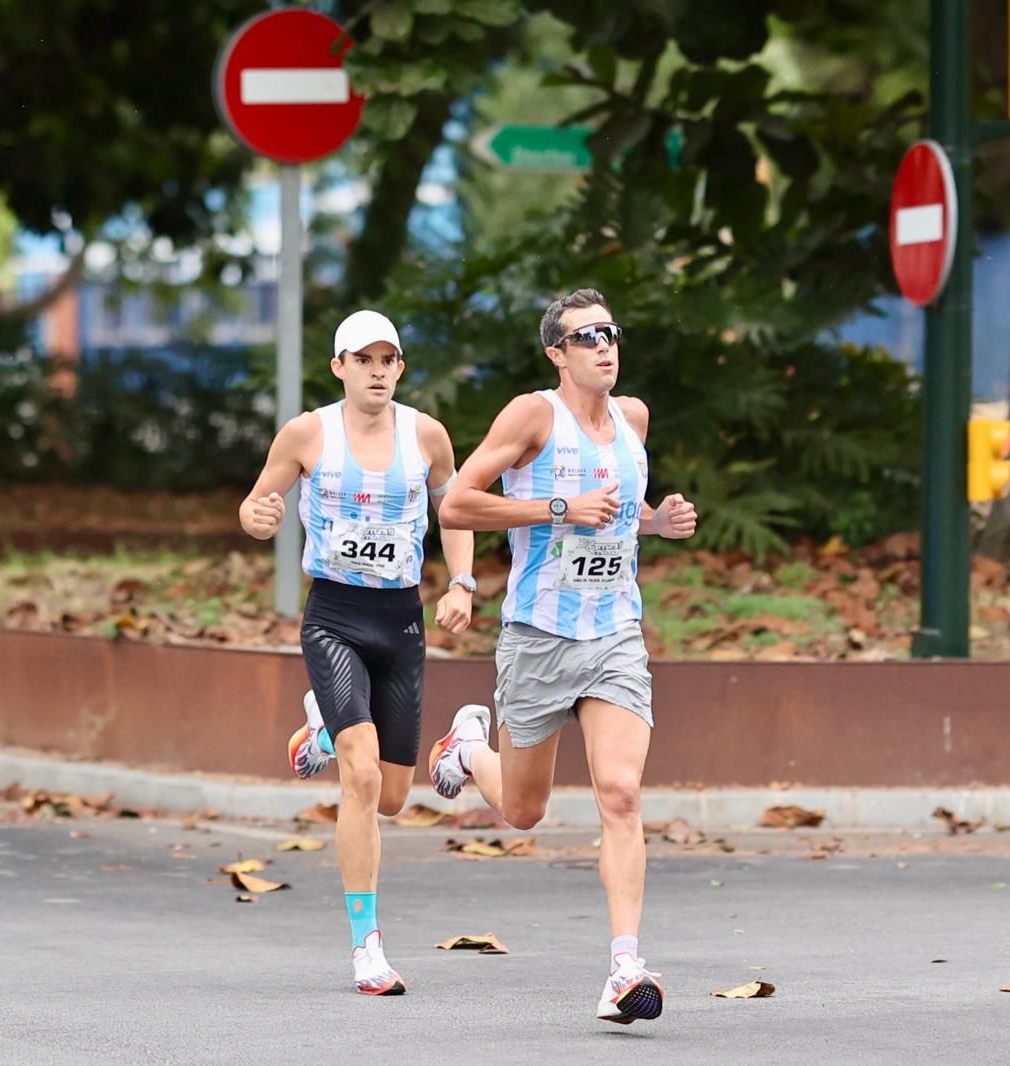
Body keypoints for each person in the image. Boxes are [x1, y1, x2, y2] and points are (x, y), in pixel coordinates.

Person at [427, 288, 698, 1025]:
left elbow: (621, 514)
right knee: (522, 810)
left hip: (614, 636)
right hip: (540, 637)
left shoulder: (633, 419)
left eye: (611, 333)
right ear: (558, 353)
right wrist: (555, 509)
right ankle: (468, 749)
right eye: (587, 337)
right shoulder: (531, 416)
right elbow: (455, 504)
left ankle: (623, 966)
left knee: (621, 794)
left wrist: (658, 523)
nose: (605, 346)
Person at [239, 309, 478, 997]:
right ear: (339, 367)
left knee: (397, 796)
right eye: (362, 359)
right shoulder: (308, 433)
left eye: (387, 360)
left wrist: (461, 582)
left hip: (400, 622)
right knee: (363, 779)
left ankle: (320, 728)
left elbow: (454, 511)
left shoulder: (425, 434)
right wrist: (258, 517)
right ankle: (366, 947)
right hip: (336, 617)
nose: (376, 371)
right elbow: (258, 503)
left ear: (400, 368)